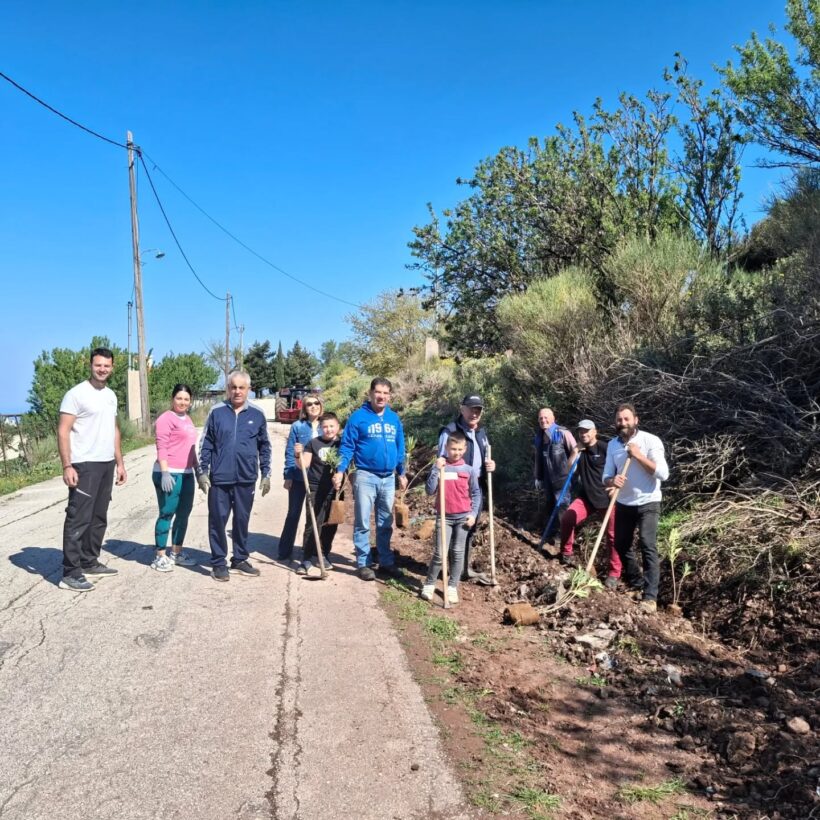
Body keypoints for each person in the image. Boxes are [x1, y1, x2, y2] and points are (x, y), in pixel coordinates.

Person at [58, 346, 127, 591]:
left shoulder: (110, 395)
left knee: (98, 518)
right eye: (98, 365)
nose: (102, 369)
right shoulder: (76, 394)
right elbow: (63, 430)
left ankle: (89, 561)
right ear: (90, 365)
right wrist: (67, 465)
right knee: (79, 518)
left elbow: (114, 429)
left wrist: (119, 462)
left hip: (106, 463)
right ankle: (70, 572)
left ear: (112, 367)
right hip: (83, 464)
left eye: (106, 366)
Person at [198, 370, 272, 582]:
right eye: (233, 387)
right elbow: (206, 444)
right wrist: (203, 472)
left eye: (242, 387)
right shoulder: (217, 412)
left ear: (248, 390)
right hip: (219, 479)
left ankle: (239, 558)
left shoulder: (257, 415)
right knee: (218, 521)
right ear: (227, 389)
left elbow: (264, 446)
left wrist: (266, 473)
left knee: (241, 520)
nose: (237, 391)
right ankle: (218, 562)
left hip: (246, 478)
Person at [332, 378, 407, 581]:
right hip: (365, 476)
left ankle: (385, 561)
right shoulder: (358, 418)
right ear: (370, 393)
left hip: (388, 478)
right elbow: (347, 446)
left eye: (386, 393)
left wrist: (402, 472)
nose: (381, 396)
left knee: (385, 522)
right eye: (378, 392)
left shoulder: (394, 419)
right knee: (363, 521)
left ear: (390, 395)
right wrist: (340, 470)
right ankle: (363, 563)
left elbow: (401, 447)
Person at [602, 403, 669, 613]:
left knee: (647, 544)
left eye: (626, 419)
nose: (623, 423)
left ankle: (650, 597)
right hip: (624, 502)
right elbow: (605, 476)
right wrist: (613, 480)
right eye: (619, 420)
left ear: (635, 420)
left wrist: (639, 455)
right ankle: (637, 583)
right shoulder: (612, 445)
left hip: (648, 501)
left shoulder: (650, 441)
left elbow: (663, 474)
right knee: (621, 544)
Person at [437, 395, 496, 584]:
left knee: (470, 526)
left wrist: (491, 466)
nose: (474, 413)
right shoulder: (450, 431)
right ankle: (448, 569)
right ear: (461, 409)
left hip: (476, 485)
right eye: (471, 409)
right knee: (454, 528)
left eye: (478, 409)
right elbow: (441, 461)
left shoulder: (481, 433)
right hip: (456, 487)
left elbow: (485, 457)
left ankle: (462, 569)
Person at [558, 420, 622, 586]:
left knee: (613, 536)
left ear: (595, 432)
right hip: (586, 497)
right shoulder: (580, 451)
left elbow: (618, 469)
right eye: (581, 431)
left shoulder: (605, 448)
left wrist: (615, 487)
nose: (583, 434)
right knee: (567, 519)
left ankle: (614, 574)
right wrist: (575, 451)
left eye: (587, 431)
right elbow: (568, 470)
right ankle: (566, 553)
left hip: (607, 499)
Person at [421, 430, 481, 605]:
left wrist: (473, 514)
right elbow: (429, 490)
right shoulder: (441, 467)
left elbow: (476, 494)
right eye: (453, 448)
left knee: (457, 552)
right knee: (440, 553)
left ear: (465, 449)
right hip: (444, 517)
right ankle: (430, 584)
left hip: (463, 518)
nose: (456, 452)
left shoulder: (468, 470)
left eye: (460, 449)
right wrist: (435, 469)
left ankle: (453, 586)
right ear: (446, 447)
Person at [150, 384, 199, 572]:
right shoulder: (165, 419)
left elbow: (191, 448)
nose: (183, 402)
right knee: (167, 512)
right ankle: (160, 555)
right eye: (179, 398)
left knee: (184, 514)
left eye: (186, 399)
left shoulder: (187, 419)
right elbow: (161, 446)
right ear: (173, 399)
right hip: (168, 472)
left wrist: (198, 470)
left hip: (186, 473)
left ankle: (176, 552)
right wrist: (164, 472)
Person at [277, 393, 323, 561]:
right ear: (304, 408)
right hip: (298, 476)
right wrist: (288, 475)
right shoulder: (298, 426)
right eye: (309, 404)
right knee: (294, 512)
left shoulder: (325, 426)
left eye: (316, 403)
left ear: (320, 405)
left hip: (317, 478)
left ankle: (308, 549)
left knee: (314, 515)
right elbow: (290, 452)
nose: (313, 406)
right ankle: (284, 550)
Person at [295, 412, 343, 575]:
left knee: (331, 524)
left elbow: (349, 467)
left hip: (336, 491)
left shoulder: (343, 445)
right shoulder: (313, 443)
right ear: (320, 428)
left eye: (332, 426)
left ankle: (323, 554)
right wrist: (297, 454)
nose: (328, 429)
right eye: (325, 426)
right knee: (313, 523)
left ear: (338, 427)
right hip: (315, 488)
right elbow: (304, 465)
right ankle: (306, 558)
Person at [533, 408, 576, 546]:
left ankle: (562, 538)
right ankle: (551, 534)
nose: (543, 420)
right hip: (547, 479)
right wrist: (537, 477)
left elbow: (576, 451)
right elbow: (538, 458)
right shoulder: (539, 437)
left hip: (563, 479)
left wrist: (574, 470)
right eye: (540, 418)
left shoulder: (563, 433)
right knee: (550, 506)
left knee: (562, 508)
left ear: (553, 418)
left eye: (546, 418)